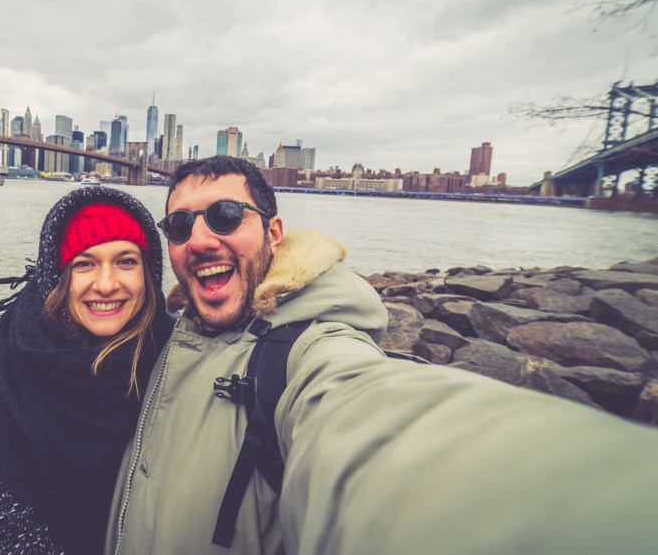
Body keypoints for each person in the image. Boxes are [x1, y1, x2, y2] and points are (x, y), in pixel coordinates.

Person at [105, 155, 658, 555]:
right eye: (179, 224)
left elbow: (375, 425)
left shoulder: (307, 352)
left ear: (274, 233)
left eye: (225, 215)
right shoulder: (169, 334)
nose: (199, 238)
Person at [0, 186, 171, 555]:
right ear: (57, 277)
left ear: (150, 273)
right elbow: (6, 520)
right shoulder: (8, 361)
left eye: (126, 261)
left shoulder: (175, 348)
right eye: (84, 263)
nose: (106, 284)